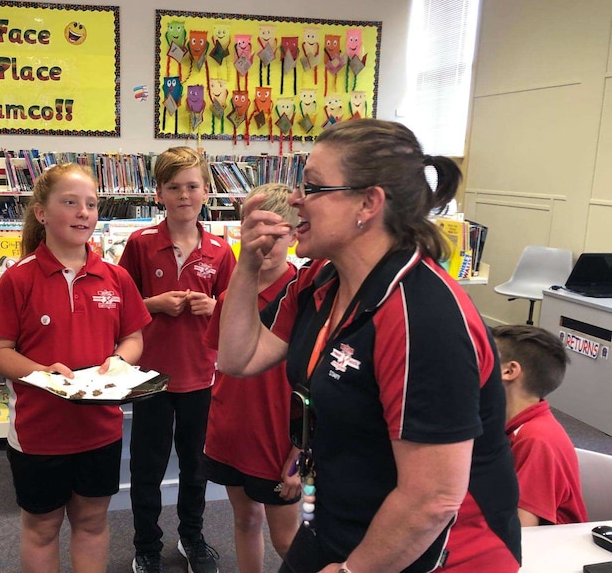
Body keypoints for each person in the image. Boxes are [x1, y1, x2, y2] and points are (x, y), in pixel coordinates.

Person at [217, 119, 521, 573]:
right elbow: (238, 358)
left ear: (368, 202)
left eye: (313, 186)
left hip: (432, 551)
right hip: (342, 522)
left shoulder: (422, 315)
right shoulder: (321, 280)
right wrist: (246, 267)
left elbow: (434, 499)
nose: (296, 199)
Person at [0, 163, 151, 573]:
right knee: (42, 527)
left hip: (100, 429)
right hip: (40, 434)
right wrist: (41, 373)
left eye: (91, 204)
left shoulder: (116, 277)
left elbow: (134, 338)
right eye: (70, 202)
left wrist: (120, 360)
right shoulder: (19, 279)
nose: (83, 213)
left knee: (92, 523)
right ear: (41, 213)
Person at [119, 146, 236, 573]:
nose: (184, 195)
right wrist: (152, 303)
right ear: (159, 193)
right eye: (174, 187)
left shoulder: (221, 250)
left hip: (201, 376)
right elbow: (120, 303)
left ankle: (193, 536)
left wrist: (214, 307)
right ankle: (146, 545)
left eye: (192, 186)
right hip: (150, 377)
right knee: (146, 466)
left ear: (207, 190)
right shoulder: (141, 243)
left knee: (195, 465)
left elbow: (233, 308)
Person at [203, 183, 301, 573]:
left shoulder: (303, 295)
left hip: (279, 442)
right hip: (231, 432)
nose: (264, 245)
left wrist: (301, 452)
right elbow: (221, 360)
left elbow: (315, 386)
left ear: (294, 235)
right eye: (255, 232)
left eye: (276, 235)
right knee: (244, 521)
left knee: (289, 538)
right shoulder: (231, 295)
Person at [492, 324, 588, 526]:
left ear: (509, 371)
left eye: (483, 358)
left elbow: (522, 530)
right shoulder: (508, 424)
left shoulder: (536, 439)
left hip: (550, 549)